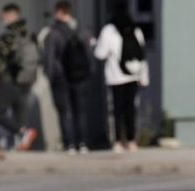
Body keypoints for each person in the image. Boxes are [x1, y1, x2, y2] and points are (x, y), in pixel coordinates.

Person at [94, 2, 149, 152]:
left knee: (116, 110)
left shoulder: (108, 30)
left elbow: (100, 54)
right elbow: (142, 55)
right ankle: (132, 140)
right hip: (133, 74)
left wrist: (94, 44)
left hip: (115, 76)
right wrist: (144, 77)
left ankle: (117, 141)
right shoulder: (136, 29)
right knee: (131, 108)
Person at [43, 1, 93, 154]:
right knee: (81, 111)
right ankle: (83, 143)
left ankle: (69, 144)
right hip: (80, 77)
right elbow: (89, 53)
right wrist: (87, 72)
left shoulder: (53, 33)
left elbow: (49, 57)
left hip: (61, 77)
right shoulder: (82, 30)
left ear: (59, 12)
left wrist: (50, 76)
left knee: (64, 112)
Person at [0, 4, 38, 151]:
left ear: (10, 15)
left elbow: (1, 59)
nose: (3, 19)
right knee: (20, 116)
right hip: (27, 80)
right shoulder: (29, 33)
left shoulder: (9, 36)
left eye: (4, 16)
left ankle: (23, 134)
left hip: (9, 80)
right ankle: (21, 143)